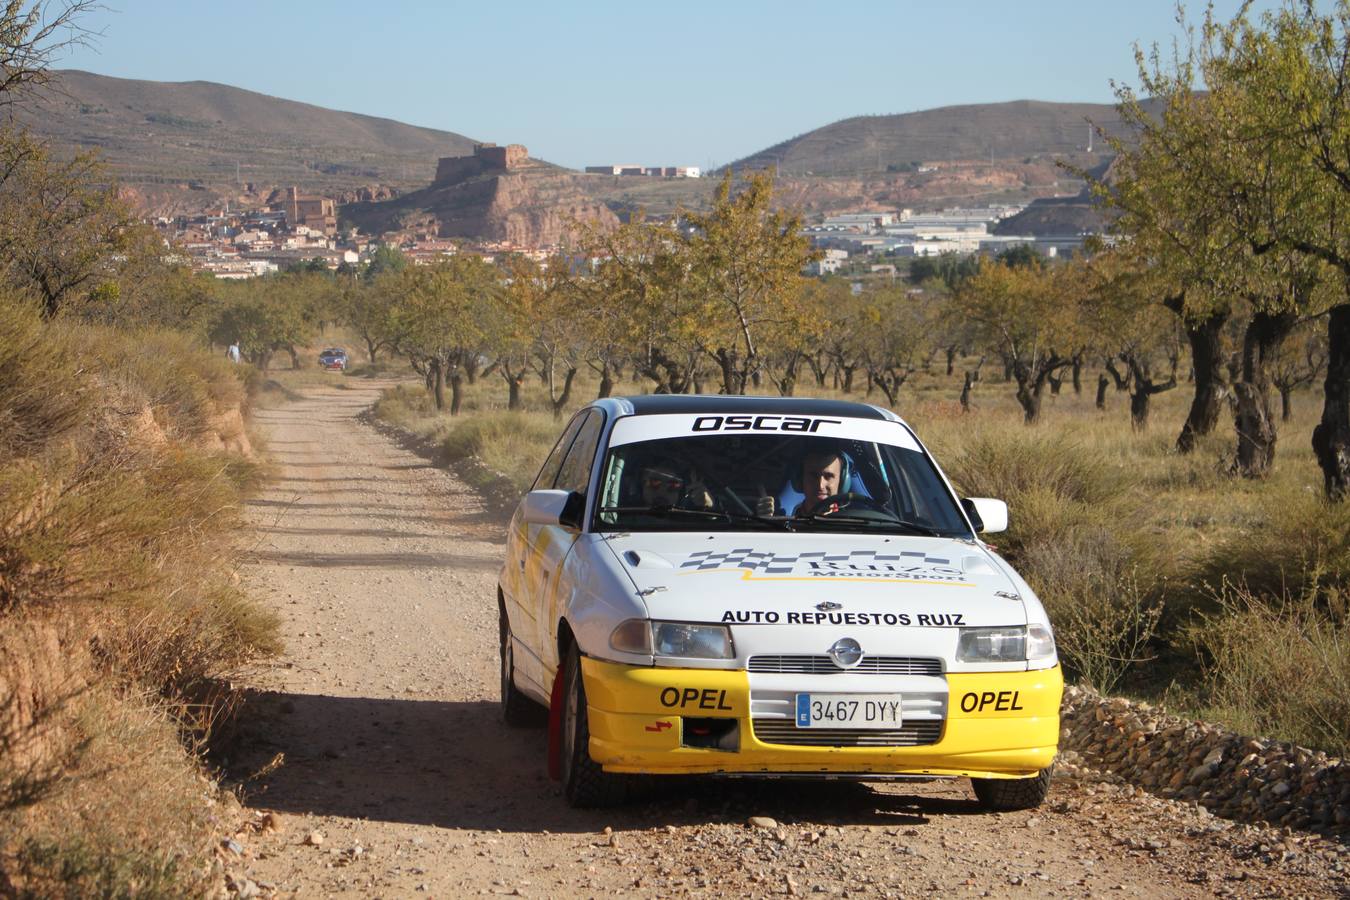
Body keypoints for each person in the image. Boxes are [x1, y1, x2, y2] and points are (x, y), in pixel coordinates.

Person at [756, 443, 849, 517]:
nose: (820, 485)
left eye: (828, 476)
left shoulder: (854, 529)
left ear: (841, 481)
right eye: (813, 475)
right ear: (800, 479)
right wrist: (764, 524)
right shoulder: (783, 525)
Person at [639, 459, 712, 509]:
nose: (662, 490)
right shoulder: (628, 515)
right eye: (654, 482)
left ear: (682, 492)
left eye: (673, 485)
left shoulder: (691, 523)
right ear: (642, 484)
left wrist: (707, 509)